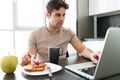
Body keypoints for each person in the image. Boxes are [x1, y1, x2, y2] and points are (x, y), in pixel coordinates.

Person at [21, 0, 100, 66]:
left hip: (63, 70)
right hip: (44, 71)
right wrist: (26, 59)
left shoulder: (68, 33)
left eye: (63, 15)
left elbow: (82, 50)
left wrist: (91, 55)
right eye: (58, 15)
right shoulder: (35, 35)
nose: (62, 19)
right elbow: (32, 57)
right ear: (48, 15)